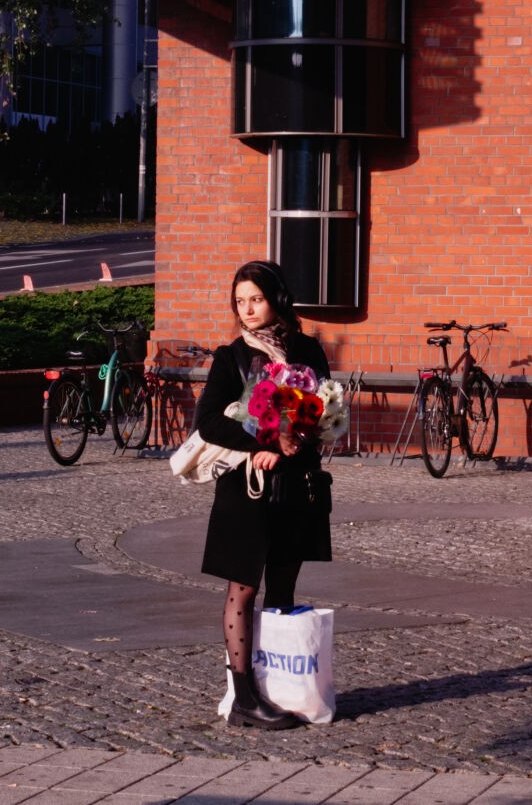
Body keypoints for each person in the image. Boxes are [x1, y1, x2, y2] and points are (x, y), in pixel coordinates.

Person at [194, 259, 332, 730]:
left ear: (277, 299)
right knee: (243, 587)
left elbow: (322, 410)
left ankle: (280, 684)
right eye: (240, 302)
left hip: (292, 487)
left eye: (255, 299)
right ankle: (244, 697)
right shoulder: (231, 356)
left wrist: (291, 444)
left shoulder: (308, 351)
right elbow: (209, 421)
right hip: (246, 489)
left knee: (284, 585)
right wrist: (263, 442)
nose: (248, 309)